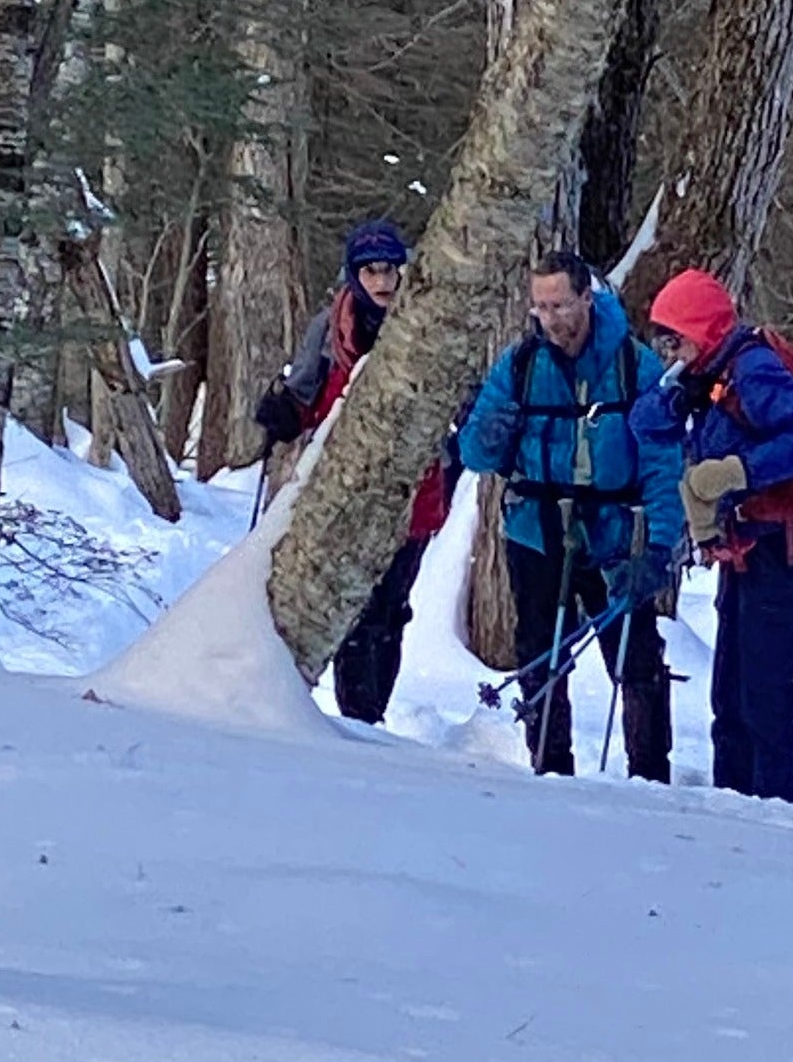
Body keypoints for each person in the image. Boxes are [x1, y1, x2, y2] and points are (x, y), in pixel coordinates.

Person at [459, 252, 686, 779]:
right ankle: (549, 767)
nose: (551, 318)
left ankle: (652, 775)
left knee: (636, 658)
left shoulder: (635, 366)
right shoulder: (519, 366)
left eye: (560, 304)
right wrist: (492, 432)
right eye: (540, 307)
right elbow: (476, 454)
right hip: (535, 531)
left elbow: (662, 461)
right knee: (539, 652)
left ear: (587, 297)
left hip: (612, 535)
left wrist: (660, 546)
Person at [634, 269, 793, 803]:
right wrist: (674, 388)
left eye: (678, 336)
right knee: (730, 693)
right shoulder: (706, 376)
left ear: (703, 330)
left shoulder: (754, 371)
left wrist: (739, 471)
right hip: (744, 547)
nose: (671, 347)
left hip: (779, 546)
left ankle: (778, 809)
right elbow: (644, 424)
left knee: (763, 693)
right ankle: (731, 804)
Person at [255, 219, 457, 725]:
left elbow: (460, 398)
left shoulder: (429, 324)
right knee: (350, 607)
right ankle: (352, 723)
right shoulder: (329, 329)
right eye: (370, 271)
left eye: (390, 269)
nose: (383, 282)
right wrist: (281, 412)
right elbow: (304, 391)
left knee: (389, 610)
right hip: (340, 492)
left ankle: (368, 721)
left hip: (416, 494)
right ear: (353, 274)